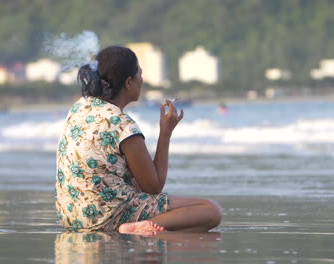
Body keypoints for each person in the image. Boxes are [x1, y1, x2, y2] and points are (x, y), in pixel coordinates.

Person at [55, 46, 222, 235]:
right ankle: (138, 228)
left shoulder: (80, 107)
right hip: (107, 219)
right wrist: (165, 133)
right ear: (129, 82)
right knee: (211, 210)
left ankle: (151, 228)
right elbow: (153, 187)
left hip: (72, 217)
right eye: (140, 74)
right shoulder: (123, 125)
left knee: (184, 222)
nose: (142, 80)